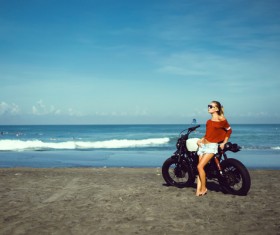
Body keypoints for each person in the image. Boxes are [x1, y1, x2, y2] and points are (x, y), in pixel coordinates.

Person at [196, 101, 232, 196]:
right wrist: (200, 140)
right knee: (200, 168)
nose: (209, 108)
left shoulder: (221, 119)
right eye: (208, 106)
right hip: (203, 146)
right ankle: (198, 190)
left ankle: (204, 188)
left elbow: (229, 130)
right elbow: (208, 135)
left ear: (216, 109)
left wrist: (224, 142)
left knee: (199, 167)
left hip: (212, 146)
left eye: (211, 106)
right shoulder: (208, 121)